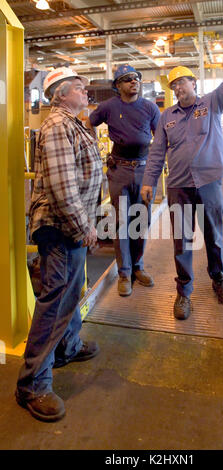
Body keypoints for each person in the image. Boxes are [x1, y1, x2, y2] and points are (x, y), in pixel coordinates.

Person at [16, 67, 103, 422]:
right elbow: (62, 188)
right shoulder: (56, 126)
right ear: (63, 93)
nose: (86, 94)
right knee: (55, 300)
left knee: (71, 290)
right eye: (80, 89)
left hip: (71, 224)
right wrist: (85, 227)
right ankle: (32, 383)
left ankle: (66, 346)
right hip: (59, 225)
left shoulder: (73, 124)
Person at [141, 30, 223, 320]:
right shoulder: (167, 116)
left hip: (209, 182)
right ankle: (184, 291)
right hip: (178, 185)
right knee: (182, 239)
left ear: (193, 83)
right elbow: (157, 151)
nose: (177, 89)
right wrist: (149, 181)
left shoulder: (211, 103)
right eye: (173, 85)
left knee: (214, 235)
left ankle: (218, 279)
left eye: (181, 83)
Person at [86, 65, 160, 297]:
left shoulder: (150, 107)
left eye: (136, 78)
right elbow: (90, 123)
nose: (133, 82)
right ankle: (124, 273)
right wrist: (91, 147)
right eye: (127, 79)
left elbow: (160, 139)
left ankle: (138, 267)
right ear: (118, 86)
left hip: (143, 171)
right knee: (122, 224)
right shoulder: (108, 107)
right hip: (119, 172)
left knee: (141, 221)